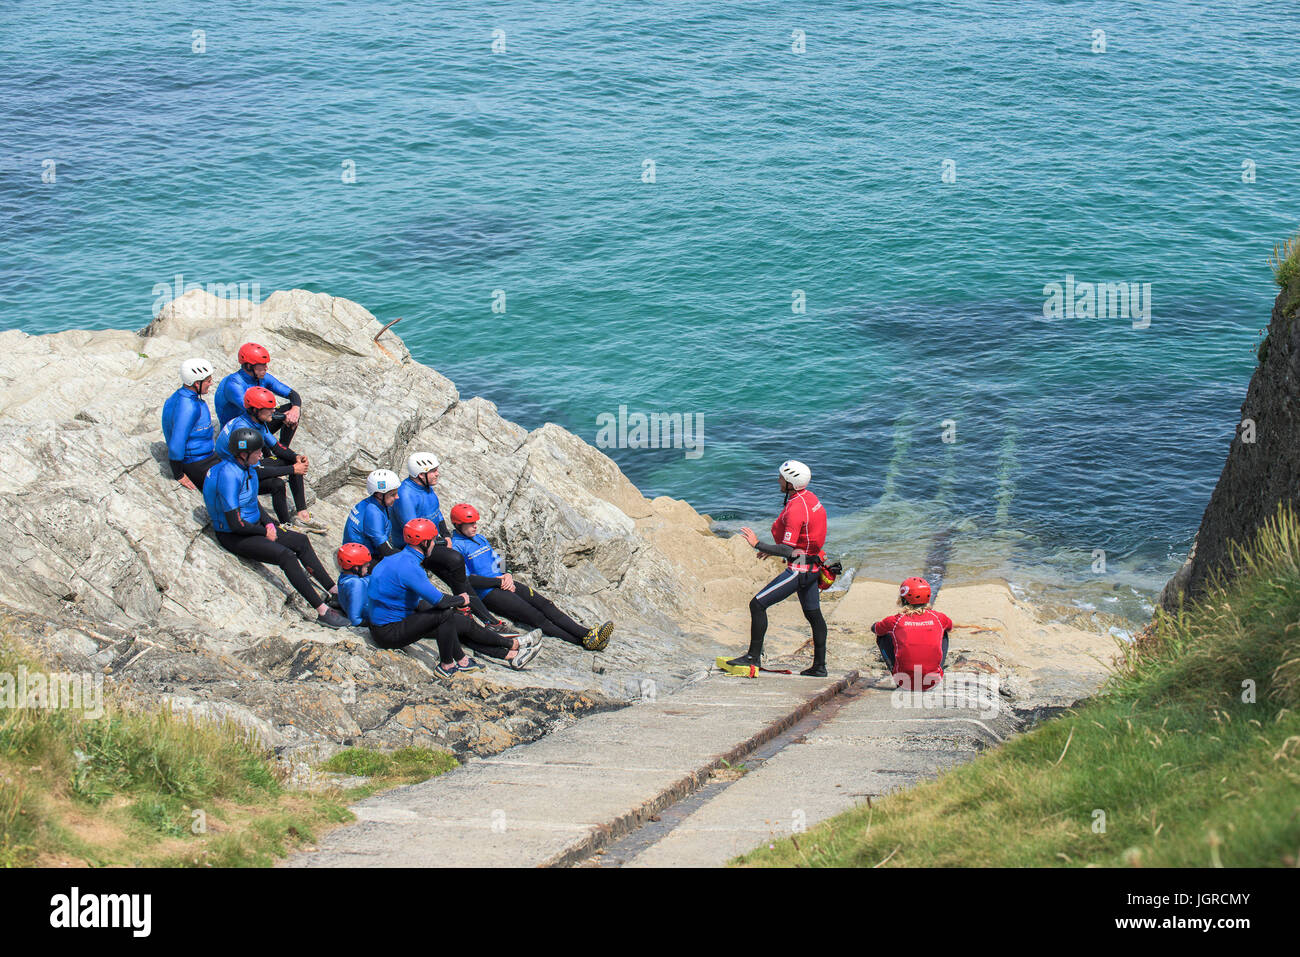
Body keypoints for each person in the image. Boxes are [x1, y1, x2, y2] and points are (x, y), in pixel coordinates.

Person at [202, 427, 349, 629]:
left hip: (255, 526)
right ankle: (322, 610)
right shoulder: (228, 476)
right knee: (286, 555)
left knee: (301, 541)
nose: (262, 455)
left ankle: (334, 592)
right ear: (244, 455)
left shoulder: (246, 468)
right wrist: (264, 532)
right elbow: (235, 523)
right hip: (235, 535)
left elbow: (252, 503)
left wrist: (269, 523)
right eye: (257, 452)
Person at [367, 518, 541, 677]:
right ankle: (447, 665)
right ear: (425, 542)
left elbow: (497, 556)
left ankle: (511, 652)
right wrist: (466, 597)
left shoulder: (396, 558)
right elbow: (447, 596)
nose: (436, 544)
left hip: (395, 620)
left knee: (459, 623)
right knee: (445, 614)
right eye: (434, 540)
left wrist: (506, 573)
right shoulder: (417, 565)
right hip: (389, 630)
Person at [449, 503, 613, 651]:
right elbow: (467, 580)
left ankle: (587, 633)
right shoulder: (457, 547)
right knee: (536, 617)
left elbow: (498, 557)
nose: (474, 527)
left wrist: (507, 574)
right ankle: (583, 642)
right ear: (458, 525)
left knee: (546, 605)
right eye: (470, 524)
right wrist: (498, 582)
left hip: (504, 582)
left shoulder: (479, 538)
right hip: (489, 592)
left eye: (475, 523)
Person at [388, 451, 518, 636]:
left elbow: (436, 513)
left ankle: (477, 615)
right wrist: (498, 581)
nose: (437, 474)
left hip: (432, 541)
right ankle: (479, 616)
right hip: (416, 546)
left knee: (455, 570)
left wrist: (446, 535)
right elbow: (413, 531)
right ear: (420, 475)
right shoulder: (406, 495)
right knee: (455, 562)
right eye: (433, 471)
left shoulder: (426, 488)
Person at [727, 459, 830, 677]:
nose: (778, 480)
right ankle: (820, 666)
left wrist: (757, 544)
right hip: (812, 567)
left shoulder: (795, 508)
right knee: (814, 615)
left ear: (791, 483)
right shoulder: (809, 498)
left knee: (757, 604)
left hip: (799, 570)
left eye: (782, 478)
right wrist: (772, 550)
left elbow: (786, 548)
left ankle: (752, 657)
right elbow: (803, 538)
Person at [217, 386, 325, 532]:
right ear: (256, 410)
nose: (274, 411)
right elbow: (254, 471)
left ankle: (301, 516)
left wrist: (296, 457)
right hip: (236, 477)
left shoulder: (256, 422)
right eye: (269, 408)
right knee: (278, 483)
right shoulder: (243, 431)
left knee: (288, 469)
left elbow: (277, 448)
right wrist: (292, 469)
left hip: (246, 468)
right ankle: (287, 525)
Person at [215, 342, 303, 449]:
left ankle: (283, 448)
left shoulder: (262, 377)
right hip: (239, 432)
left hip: (256, 422)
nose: (266, 368)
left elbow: (292, 394)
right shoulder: (234, 384)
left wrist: (295, 409)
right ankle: (278, 453)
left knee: (292, 409)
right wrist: (284, 417)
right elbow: (253, 412)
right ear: (249, 366)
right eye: (262, 365)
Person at [871, 577, 951, 690]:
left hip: (905, 683)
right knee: (944, 633)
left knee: (882, 636)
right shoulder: (938, 618)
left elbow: (876, 629)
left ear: (903, 599)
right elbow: (950, 626)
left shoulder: (895, 620)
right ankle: (936, 671)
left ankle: (897, 674)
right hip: (932, 683)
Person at [162, 358, 220, 490]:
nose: (211, 384)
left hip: (206, 457)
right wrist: (179, 474)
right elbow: (177, 442)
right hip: (196, 463)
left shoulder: (180, 397)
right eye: (208, 381)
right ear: (196, 383)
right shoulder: (189, 407)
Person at [343, 469, 402, 561]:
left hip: (355, 553)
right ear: (379, 495)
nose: (397, 497)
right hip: (360, 561)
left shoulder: (367, 503)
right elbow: (386, 551)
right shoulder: (374, 513)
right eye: (393, 494)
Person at [336, 543, 374, 627]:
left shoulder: (343, 577)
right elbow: (355, 620)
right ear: (356, 568)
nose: (368, 565)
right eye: (365, 564)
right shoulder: (355, 584)